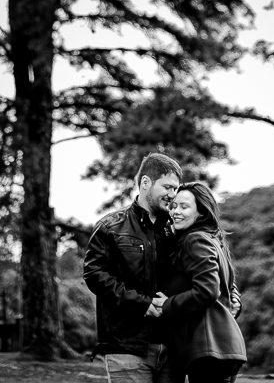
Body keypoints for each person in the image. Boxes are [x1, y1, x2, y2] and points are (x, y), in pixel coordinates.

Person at [84, 152, 183, 383]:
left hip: (174, 347)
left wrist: (233, 294)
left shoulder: (178, 231)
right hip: (126, 347)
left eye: (176, 189)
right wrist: (143, 305)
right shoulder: (111, 227)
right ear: (146, 182)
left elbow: (208, 262)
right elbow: (94, 274)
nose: (173, 195)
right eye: (167, 187)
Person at [159, 181, 247, 383]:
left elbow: (207, 291)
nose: (175, 212)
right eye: (174, 206)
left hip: (210, 349)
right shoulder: (213, 240)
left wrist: (166, 304)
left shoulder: (195, 240)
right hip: (222, 348)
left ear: (201, 213)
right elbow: (227, 286)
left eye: (184, 206)